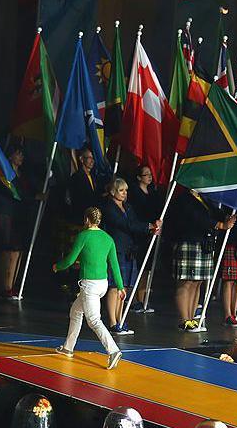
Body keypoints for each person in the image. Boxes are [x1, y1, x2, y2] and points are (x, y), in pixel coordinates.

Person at [53, 207, 123, 370]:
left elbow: (70, 260)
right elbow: (114, 265)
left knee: (93, 320)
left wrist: (58, 266)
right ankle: (68, 347)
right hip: (102, 284)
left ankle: (113, 351)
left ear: (86, 220)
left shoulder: (83, 236)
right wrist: (120, 286)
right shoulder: (108, 238)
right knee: (76, 312)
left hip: (89, 285)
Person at [169, 188, 235, 332]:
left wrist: (226, 217)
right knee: (186, 282)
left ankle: (191, 318)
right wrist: (219, 225)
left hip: (203, 243)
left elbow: (214, 212)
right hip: (189, 242)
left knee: (197, 282)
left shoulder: (203, 198)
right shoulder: (184, 199)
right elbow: (196, 217)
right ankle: (184, 320)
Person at [100, 178, 160, 335]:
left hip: (129, 250)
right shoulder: (109, 208)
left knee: (124, 287)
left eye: (126, 190)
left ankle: (120, 319)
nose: (124, 193)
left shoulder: (128, 207)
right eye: (121, 190)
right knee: (114, 286)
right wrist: (148, 226)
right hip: (116, 250)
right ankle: (113, 322)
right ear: (113, 191)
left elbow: (135, 223)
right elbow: (125, 225)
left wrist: (150, 229)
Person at [0, 146, 40, 299]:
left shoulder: (22, 175)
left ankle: (12, 284)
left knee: (18, 250)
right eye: (18, 154)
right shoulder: (4, 174)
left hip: (20, 215)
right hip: (6, 213)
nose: (21, 157)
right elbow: (15, 193)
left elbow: (27, 191)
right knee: (8, 249)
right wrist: (34, 197)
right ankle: (5, 286)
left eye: (22, 154)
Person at [55, 149, 101, 297]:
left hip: (89, 222)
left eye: (93, 158)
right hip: (78, 221)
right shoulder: (76, 177)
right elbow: (76, 200)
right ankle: (70, 284)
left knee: (84, 255)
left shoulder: (93, 177)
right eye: (89, 158)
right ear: (81, 159)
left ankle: (78, 284)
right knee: (74, 253)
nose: (92, 161)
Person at [127, 166, 161, 312]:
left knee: (147, 268)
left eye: (150, 174)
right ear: (139, 177)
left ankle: (143, 300)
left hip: (150, 234)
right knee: (137, 267)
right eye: (145, 174)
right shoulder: (134, 193)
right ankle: (133, 300)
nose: (149, 177)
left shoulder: (153, 193)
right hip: (138, 234)